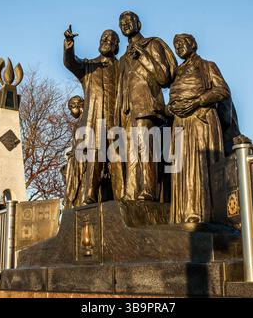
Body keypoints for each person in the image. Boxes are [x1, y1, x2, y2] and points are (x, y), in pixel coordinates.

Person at [116, 11, 177, 201]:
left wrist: (143, 56)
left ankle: (148, 189)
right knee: (131, 152)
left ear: (139, 24)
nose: (125, 24)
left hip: (146, 105)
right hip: (127, 111)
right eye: (121, 22)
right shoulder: (122, 58)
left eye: (129, 20)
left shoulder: (152, 44)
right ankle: (131, 191)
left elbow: (164, 76)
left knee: (145, 148)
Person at [167, 33, 227, 224]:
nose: (178, 47)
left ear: (193, 44)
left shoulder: (207, 66)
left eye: (181, 43)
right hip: (180, 123)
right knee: (182, 169)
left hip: (200, 121)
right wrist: (172, 108)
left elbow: (222, 90)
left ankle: (200, 212)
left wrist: (198, 101)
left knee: (198, 167)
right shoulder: (175, 73)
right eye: (175, 45)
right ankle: (180, 214)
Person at [64, 25, 124, 205]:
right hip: (95, 120)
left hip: (116, 120)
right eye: (103, 38)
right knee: (95, 158)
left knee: (118, 160)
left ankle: (122, 197)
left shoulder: (122, 67)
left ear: (116, 46)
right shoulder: (89, 66)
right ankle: (88, 196)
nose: (105, 41)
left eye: (110, 39)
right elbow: (70, 62)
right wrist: (69, 43)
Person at [63, 96, 85, 209]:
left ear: (76, 106)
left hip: (85, 155)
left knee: (72, 166)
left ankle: (72, 199)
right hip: (78, 154)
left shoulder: (86, 120)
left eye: (70, 109)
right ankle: (70, 200)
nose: (71, 113)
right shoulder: (79, 122)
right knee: (65, 169)